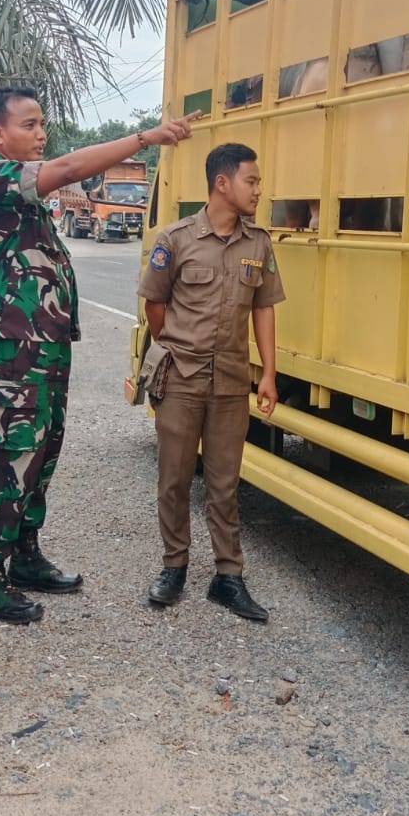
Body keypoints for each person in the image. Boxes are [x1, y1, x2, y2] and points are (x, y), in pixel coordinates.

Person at [0, 88, 200, 623]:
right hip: (12, 349)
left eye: (42, 123)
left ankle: (24, 555)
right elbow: (69, 168)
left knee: (41, 452)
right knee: (7, 457)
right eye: (29, 124)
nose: (40, 133)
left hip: (42, 347)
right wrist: (148, 137)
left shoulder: (25, 196)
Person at [139, 142, 284, 621]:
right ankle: (173, 566)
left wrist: (268, 374)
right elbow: (155, 306)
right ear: (222, 183)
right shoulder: (175, 239)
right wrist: (176, 348)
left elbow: (263, 309)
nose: (258, 190)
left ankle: (228, 576)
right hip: (181, 380)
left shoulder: (258, 244)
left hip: (229, 384)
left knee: (225, 483)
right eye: (252, 180)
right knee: (175, 479)